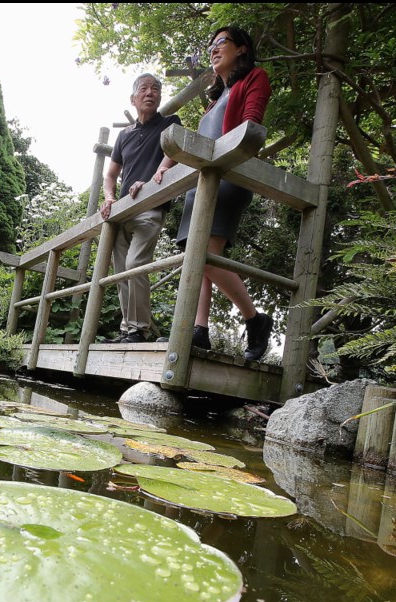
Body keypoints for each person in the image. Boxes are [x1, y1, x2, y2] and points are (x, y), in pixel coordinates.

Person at [153, 25, 273, 361]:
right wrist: (165, 165)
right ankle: (199, 330)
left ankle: (254, 319)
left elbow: (251, 128)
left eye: (221, 43)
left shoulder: (255, 78)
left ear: (242, 49)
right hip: (200, 182)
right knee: (198, 256)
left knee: (205, 253)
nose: (213, 49)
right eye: (211, 46)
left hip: (230, 175)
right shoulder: (215, 99)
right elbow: (191, 140)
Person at [100, 73, 181, 343]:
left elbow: (174, 150)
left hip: (151, 204)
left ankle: (139, 329)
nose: (151, 93)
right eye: (144, 89)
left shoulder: (170, 123)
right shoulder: (124, 135)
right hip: (122, 210)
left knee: (136, 264)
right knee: (122, 270)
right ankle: (128, 329)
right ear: (133, 98)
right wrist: (109, 197)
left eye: (156, 89)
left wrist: (156, 175)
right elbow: (110, 174)